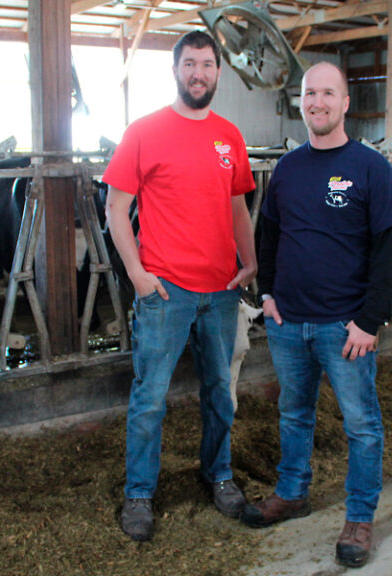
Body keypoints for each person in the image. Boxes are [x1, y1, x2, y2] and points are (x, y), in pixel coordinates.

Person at [240, 61, 392, 569]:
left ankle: (359, 518)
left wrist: (371, 319)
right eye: (309, 93)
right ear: (301, 101)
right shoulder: (289, 168)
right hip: (289, 322)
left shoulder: (370, 168)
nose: (317, 102)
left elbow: (390, 248)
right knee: (294, 412)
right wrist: (268, 294)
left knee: (361, 425)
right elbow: (269, 234)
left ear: (345, 104)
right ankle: (292, 493)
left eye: (327, 93)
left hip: (345, 328)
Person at [103, 30, 257, 542]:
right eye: (190, 63)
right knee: (150, 396)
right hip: (164, 290)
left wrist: (250, 261)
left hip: (220, 290)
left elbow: (238, 206)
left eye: (208, 64)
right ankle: (140, 492)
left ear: (219, 72)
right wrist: (138, 275)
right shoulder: (145, 131)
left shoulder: (229, 135)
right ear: (175, 70)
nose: (199, 73)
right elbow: (115, 208)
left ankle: (219, 475)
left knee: (220, 390)